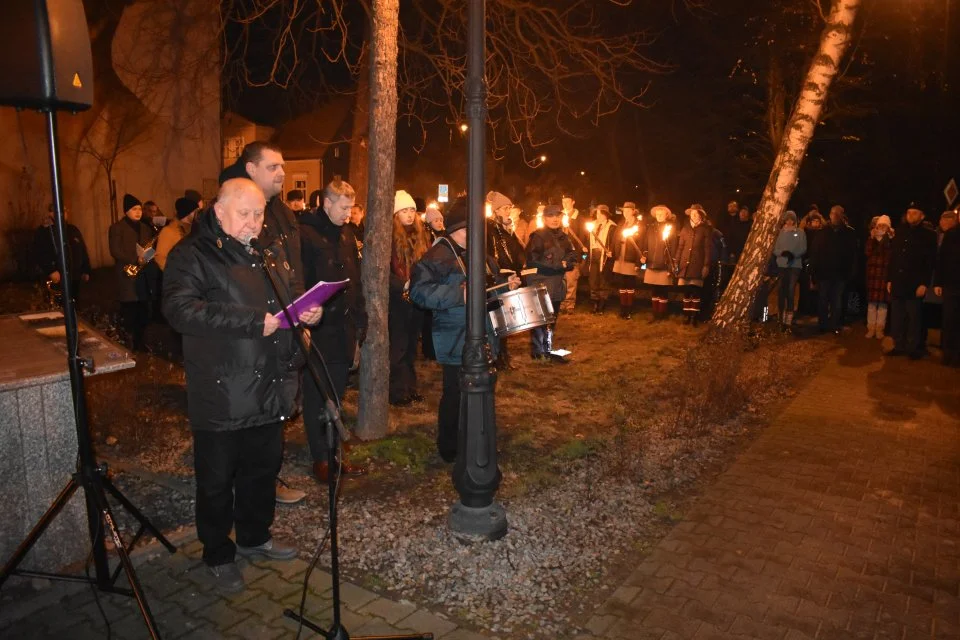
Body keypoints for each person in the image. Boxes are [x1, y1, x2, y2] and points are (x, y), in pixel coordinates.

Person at [162, 178, 323, 594]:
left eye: (259, 213)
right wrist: (252, 322)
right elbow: (180, 310)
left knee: (262, 469)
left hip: (268, 382)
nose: (254, 222)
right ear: (219, 211)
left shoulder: (265, 251)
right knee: (217, 480)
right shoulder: (192, 254)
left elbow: (286, 297)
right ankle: (217, 552)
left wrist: (307, 312)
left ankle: (255, 535)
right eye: (245, 213)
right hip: (222, 389)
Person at [221, 142, 307, 505]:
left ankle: (267, 480)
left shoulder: (283, 214)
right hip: (251, 335)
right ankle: (249, 486)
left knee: (277, 409)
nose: (283, 173)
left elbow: (292, 270)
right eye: (273, 167)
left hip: (284, 329)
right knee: (251, 414)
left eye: (283, 166)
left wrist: (302, 312)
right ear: (251, 169)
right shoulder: (231, 216)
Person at [408, 198, 518, 461]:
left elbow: (489, 287)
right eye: (470, 229)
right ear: (458, 228)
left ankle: (478, 442)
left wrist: (506, 285)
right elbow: (419, 292)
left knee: (483, 390)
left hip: (482, 332)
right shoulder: (439, 255)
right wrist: (459, 294)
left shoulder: (477, 252)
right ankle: (450, 449)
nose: (476, 235)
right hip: (454, 336)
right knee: (456, 394)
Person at [299, 179, 368, 483]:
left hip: (344, 328)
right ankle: (320, 459)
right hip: (318, 328)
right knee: (318, 395)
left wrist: (361, 320)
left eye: (351, 208)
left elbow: (355, 279)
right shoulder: (306, 234)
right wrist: (304, 324)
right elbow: (298, 284)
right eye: (343, 208)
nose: (348, 214)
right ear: (326, 204)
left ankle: (335, 454)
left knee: (337, 395)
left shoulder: (348, 235)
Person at [389, 190, 431, 405]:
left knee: (412, 346)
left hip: (417, 299)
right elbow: (384, 272)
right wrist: (401, 284)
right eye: (404, 210)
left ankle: (410, 387)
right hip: (397, 300)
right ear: (396, 214)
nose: (409, 215)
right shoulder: (389, 238)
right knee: (399, 346)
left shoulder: (421, 236)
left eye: (412, 210)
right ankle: (397, 391)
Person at [525, 205, 580, 360]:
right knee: (541, 318)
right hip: (541, 282)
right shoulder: (537, 236)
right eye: (551, 216)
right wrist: (556, 265)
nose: (555, 219)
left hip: (557, 284)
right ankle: (538, 352)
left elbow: (572, 254)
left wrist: (567, 263)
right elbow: (532, 259)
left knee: (552, 318)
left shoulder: (564, 236)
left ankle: (547, 349)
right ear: (544, 218)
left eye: (557, 215)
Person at [886, 206, 938, 359]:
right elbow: (894, 257)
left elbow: (929, 262)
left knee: (914, 317)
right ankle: (898, 344)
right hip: (898, 281)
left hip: (914, 283)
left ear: (922, 216)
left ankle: (912, 347)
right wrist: (890, 278)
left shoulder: (928, 235)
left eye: (914, 213)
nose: (911, 215)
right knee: (897, 316)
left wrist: (924, 283)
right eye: (909, 212)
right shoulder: (900, 232)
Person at [109, 193, 156, 351]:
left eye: (140, 209)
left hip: (142, 274)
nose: (138, 212)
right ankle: (128, 341)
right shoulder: (117, 228)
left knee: (143, 311)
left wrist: (147, 257)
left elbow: (150, 249)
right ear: (126, 211)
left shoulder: (145, 228)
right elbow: (115, 251)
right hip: (127, 274)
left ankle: (140, 341)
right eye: (134, 209)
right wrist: (134, 259)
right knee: (129, 310)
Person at [810, 205, 857, 334]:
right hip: (824, 273)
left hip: (840, 274)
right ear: (830, 215)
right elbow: (815, 253)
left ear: (842, 216)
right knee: (823, 299)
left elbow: (852, 254)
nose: (835, 216)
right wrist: (813, 273)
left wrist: (850, 272)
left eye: (838, 214)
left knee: (837, 300)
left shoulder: (849, 233)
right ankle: (823, 324)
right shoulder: (823, 232)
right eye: (833, 213)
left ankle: (835, 324)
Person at [33, 204, 91, 306]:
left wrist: (86, 269)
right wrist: (50, 270)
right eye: (60, 211)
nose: (64, 214)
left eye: (65, 211)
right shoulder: (44, 231)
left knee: (74, 305)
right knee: (59, 306)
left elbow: (82, 249)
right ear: (51, 213)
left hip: (74, 276)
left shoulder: (72, 230)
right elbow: (41, 252)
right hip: (57, 278)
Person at [676, 204, 713, 326]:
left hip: (698, 264)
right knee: (687, 291)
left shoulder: (705, 229)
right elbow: (680, 247)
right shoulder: (685, 228)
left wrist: (706, 265)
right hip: (684, 265)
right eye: (692, 214)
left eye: (697, 214)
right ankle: (687, 316)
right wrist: (677, 261)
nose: (694, 216)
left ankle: (694, 317)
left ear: (701, 216)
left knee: (696, 291)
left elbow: (708, 249)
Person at [642, 205, 679, 322]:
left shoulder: (670, 228)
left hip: (664, 264)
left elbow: (673, 246)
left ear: (666, 215)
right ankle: (655, 314)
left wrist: (671, 263)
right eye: (657, 214)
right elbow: (646, 244)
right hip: (652, 263)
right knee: (654, 290)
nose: (659, 216)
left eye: (661, 214)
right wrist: (644, 255)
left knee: (663, 290)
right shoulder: (651, 227)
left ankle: (662, 314)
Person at [772, 210, 807, 331]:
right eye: (787, 219)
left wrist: (794, 254)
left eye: (792, 219)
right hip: (782, 265)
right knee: (781, 290)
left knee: (791, 290)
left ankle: (789, 318)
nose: (790, 221)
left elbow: (803, 248)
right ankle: (780, 316)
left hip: (795, 265)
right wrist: (782, 253)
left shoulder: (800, 232)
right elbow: (775, 249)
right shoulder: (781, 232)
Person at [935, 210, 960, 366]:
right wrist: (938, 282)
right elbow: (942, 259)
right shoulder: (952, 235)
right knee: (949, 320)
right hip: (951, 284)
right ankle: (948, 353)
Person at [612, 202, 643, 319]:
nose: (625, 213)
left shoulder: (638, 225)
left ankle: (629, 309)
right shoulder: (621, 224)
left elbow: (641, 243)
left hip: (630, 258)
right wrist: (614, 252)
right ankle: (623, 308)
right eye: (624, 211)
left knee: (630, 285)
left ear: (633, 211)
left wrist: (638, 261)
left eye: (628, 210)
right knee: (622, 284)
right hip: (621, 258)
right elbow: (615, 239)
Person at [864, 215, 894, 339]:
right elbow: (867, 252)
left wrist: (889, 239)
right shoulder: (871, 239)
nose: (881, 227)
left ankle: (880, 329)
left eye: (884, 225)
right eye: (879, 225)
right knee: (871, 304)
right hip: (873, 275)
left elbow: (891, 255)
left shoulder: (891, 240)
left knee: (882, 305)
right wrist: (872, 238)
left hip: (884, 275)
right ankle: (871, 328)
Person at [586, 204, 617, 314]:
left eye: (599, 213)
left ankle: (602, 306)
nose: (597, 216)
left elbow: (614, 242)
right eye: (597, 213)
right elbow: (588, 240)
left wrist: (611, 251)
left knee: (603, 280)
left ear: (605, 215)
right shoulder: (592, 225)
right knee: (593, 280)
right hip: (594, 254)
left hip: (604, 255)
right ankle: (594, 304)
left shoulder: (612, 227)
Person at [156, 196, 200, 271]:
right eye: (195, 211)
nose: (197, 214)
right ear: (187, 213)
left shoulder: (195, 230)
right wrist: (176, 274)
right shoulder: (169, 231)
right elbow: (160, 258)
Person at [559, 194, 587, 313]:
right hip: (560, 254)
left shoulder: (579, 218)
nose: (565, 204)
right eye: (563, 202)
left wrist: (579, 253)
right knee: (561, 280)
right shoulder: (560, 217)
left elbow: (582, 237)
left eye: (567, 201)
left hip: (572, 254)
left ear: (573, 202)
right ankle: (562, 303)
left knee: (571, 280)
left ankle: (570, 304)